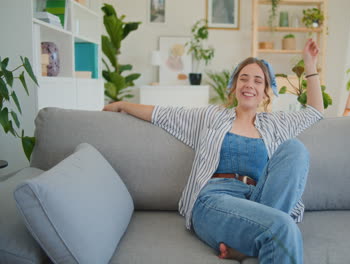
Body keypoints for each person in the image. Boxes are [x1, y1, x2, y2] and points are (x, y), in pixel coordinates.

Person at [103, 39, 324, 264]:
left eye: (258, 81)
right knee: (283, 226)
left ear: (266, 93)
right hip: (216, 200)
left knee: (295, 150)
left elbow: (315, 112)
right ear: (235, 86)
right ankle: (260, 237)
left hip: (257, 203)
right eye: (243, 78)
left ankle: (251, 243)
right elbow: (163, 114)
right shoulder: (212, 116)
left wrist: (310, 64)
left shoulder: (275, 124)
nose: (249, 84)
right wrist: (122, 105)